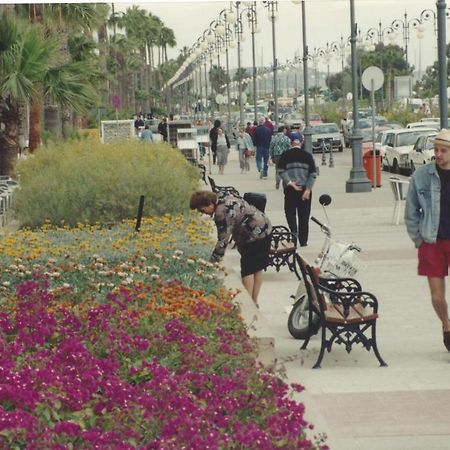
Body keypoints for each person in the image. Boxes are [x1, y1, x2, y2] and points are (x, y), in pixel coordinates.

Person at [405, 128, 450, 352]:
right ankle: (446, 325)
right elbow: (411, 211)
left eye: (443, 150)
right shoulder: (422, 175)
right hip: (432, 243)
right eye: (436, 149)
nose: (438, 154)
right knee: (437, 297)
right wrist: (419, 239)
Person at [190, 190, 272, 307]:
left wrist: (211, 263)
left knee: (248, 269)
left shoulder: (221, 213)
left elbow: (223, 241)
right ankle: (254, 301)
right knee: (257, 267)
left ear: (210, 204)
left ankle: (247, 304)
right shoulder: (221, 196)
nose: (204, 213)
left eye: (202, 210)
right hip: (265, 226)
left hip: (253, 234)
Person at [277, 133, 317, 247]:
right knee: (304, 215)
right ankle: (303, 241)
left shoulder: (285, 155)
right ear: (301, 142)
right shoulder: (307, 156)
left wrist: (290, 182)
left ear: (290, 143)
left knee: (290, 213)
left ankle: (294, 235)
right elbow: (313, 174)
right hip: (305, 189)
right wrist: (308, 189)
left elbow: (281, 170)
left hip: (290, 189)